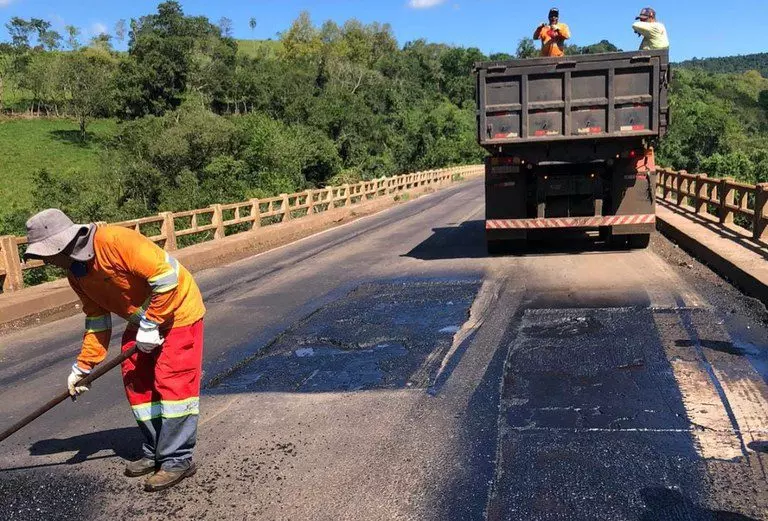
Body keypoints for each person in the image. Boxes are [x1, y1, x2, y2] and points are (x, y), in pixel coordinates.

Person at [23, 209, 206, 492]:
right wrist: (83, 367)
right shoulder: (76, 274)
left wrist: (153, 324)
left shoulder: (116, 242)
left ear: (61, 244)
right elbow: (97, 321)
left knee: (173, 385)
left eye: (46, 255)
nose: (46, 262)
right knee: (136, 381)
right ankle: (155, 449)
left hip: (178, 314)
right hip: (143, 320)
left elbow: (167, 277)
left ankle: (176, 459)